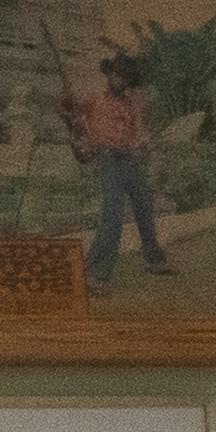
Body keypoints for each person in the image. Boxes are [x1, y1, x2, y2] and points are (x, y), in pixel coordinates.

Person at [75, 51, 176, 286]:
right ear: (109, 74)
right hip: (111, 161)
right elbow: (73, 112)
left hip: (134, 161)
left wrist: (142, 147)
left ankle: (154, 261)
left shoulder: (132, 100)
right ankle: (96, 272)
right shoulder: (94, 100)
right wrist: (67, 105)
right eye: (118, 75)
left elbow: (139, 130)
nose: (121, 80)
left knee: (145, 211)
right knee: (112, 217)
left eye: (126, 77)